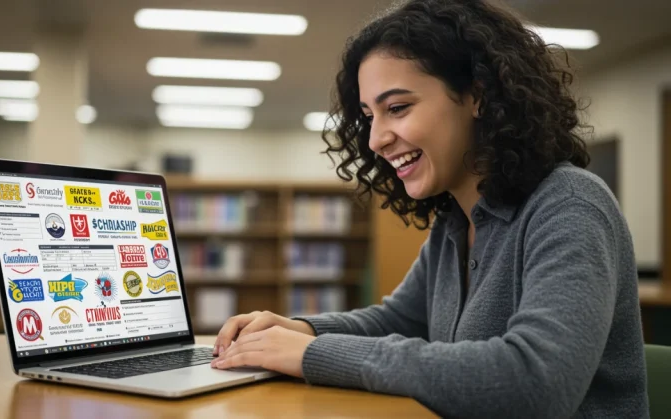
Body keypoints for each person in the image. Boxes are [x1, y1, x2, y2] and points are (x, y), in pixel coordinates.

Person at [210, 0, 649, 417]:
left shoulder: (569, 205)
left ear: (478, 95)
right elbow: (400, 320)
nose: (375, 140)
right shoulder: (455, 221)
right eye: (369, 116)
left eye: (397, 108)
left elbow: (536, 383)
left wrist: (314, 353)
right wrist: (300, 331)